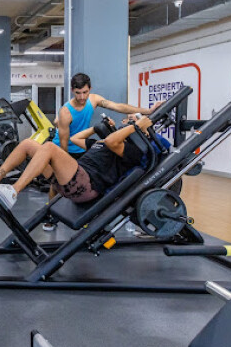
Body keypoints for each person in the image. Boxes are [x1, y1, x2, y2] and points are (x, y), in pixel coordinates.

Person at [0, 114, 155, 211]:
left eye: (131, 120)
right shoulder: (102, 142)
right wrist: (98, 127)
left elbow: (112, 141)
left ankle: (13, 192)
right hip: (73, 178)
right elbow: (76, 138)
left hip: (87, 184)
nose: (126, 122)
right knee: (28, 144)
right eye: (127, 120)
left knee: (50, 148)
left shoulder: (133, 150)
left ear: (142, 131)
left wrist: (137, 126)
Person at [44, 73, 154, 231]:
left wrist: (147, 111)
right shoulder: (66, 111)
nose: (82, 97)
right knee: (56, 184)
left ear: (90, 89)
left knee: (88, 184)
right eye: (78, 93)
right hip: (63, 148)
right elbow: (64, 141)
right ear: (72, 91)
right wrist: (64, 161)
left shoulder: (93, 100)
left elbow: (118, 106)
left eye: (85, 92)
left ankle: (86, 216)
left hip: (81, 148)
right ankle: (50, 217)